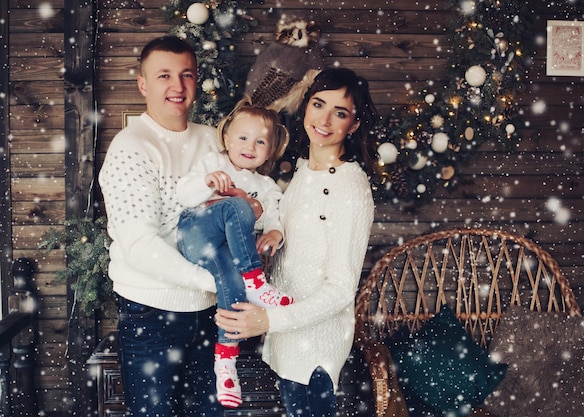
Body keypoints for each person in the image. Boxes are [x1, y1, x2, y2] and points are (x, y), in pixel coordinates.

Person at [98, 36, 259, 416]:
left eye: (186, 75)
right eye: (164, 75)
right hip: (152, 314)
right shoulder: (131, 147)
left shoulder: (213, 140)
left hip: (210, 314)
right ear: (143, 84)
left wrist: (257, 212)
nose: (177, 86)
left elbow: (240, 205)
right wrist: (218, 282)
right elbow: (139, 244)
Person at [214, 67, 378, 417]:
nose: (325, 119)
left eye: (341, 112)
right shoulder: (304, 170)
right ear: (305, 106)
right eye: (319, 104)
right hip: (287, 343)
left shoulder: (350, 188)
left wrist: (269, 321)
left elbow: (340, 289)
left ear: (354, 125)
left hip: (315, 350)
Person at [175, 97, 293, 408]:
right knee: (238, 206)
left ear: (270, 150)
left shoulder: (266, 185)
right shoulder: (214, 163)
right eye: (242, 137)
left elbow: (275, 217)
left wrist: (274, 233)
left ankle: (225, 364)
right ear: (226, 138)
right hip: (196, 234)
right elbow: (183, 194)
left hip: (225, 252)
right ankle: (256, 281)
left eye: (260, 141)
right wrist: (206, 182)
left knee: (233, 285)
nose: (250, 146)